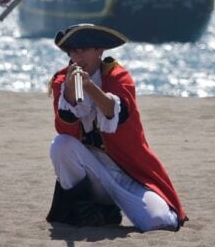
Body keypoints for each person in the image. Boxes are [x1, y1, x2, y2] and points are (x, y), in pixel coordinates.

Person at [45, 24, 186, 232]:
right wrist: (70, 95)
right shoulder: (62, 81)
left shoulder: (118, 76)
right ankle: (91, 211)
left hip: (127, 173)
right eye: (73, 51)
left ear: (99, 51)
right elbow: (65, 129)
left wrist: (89, 87)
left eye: (84, 49)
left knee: (161, 222)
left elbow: (115, 113)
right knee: (60, 145)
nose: (78, 55)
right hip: (93, 175)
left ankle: (114, 208)